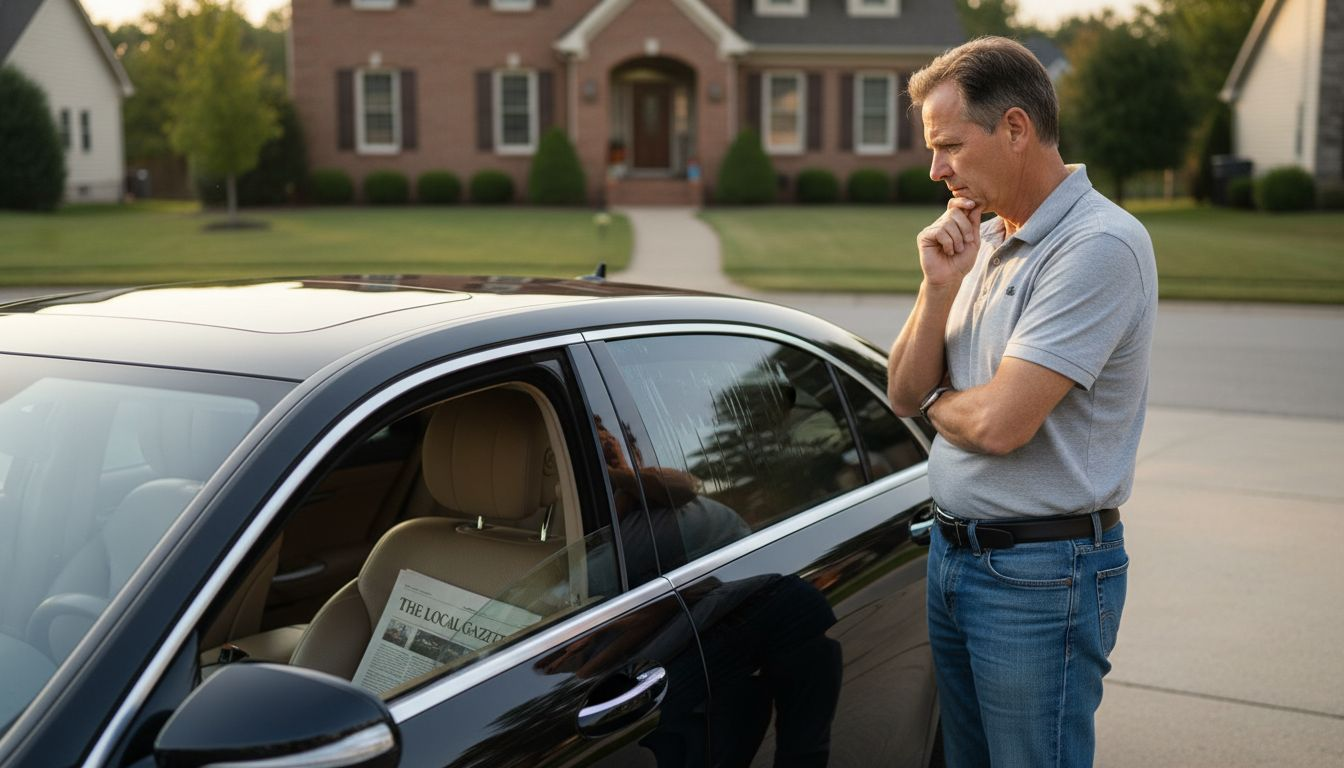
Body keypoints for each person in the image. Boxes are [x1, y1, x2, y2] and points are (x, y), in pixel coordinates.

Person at [886, 37, 1157, 767]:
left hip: (1041, 578)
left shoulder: (1099, 246)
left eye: (948, 145)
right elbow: (901, 389)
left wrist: (942, 399)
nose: (936, 168)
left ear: (1014, 128)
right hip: (954, 559)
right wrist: (939, 284)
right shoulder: (979, 236)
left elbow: (1001, 423)